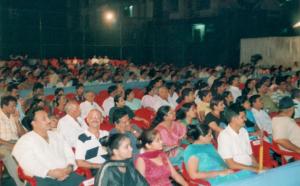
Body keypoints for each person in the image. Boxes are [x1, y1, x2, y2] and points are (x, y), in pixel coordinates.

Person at [12, 107, 85, 186]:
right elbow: (29, 163)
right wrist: (50, 173)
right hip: (43, 178)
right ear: (33, 123)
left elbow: (70, 154)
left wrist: (69, 168)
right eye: (44, 119)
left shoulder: (57, 135)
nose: (49, 120)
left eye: (47, 117)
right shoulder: (25, 141)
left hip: (67, 174)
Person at [184, 124, 254, 185]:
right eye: (209, 135)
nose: (212, 137)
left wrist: (227, 170)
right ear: (201, 137)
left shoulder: (208, 145)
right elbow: (194, 175)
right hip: (214, 180)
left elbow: (220, 163)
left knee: (250, 173)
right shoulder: (192, 150)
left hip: (225, 175)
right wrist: (220, 172)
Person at [218, 108, 259, 172]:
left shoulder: (243, 131)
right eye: (242, 117)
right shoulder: (224, 135)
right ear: (233, 119)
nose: (245, 119)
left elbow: (250, 155)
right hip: (237, 171)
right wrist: (254, 169)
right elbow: (230, 164)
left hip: (250, 168)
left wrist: (258, 167)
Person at [0, 96, 25, 186]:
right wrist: (10, 145)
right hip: (2, 144)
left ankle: (34, 178)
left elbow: (22, 135)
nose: (15, 108)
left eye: (15, 106)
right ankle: (21, 184)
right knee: (8, 155)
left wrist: (17, 121)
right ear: (4, 106)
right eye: (12, 106)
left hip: (16, 142)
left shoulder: (13, 116)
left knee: (31, 150)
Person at [75, 109, 109, 175]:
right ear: (87, 120)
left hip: (110, 165)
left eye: (97, 117)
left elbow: (113, 151)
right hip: (96, 169)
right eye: (92, 117)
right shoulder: (82, 137)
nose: (95, 119)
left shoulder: (106, 134)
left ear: (101, 120)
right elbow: (79, 162)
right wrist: (99, 166)